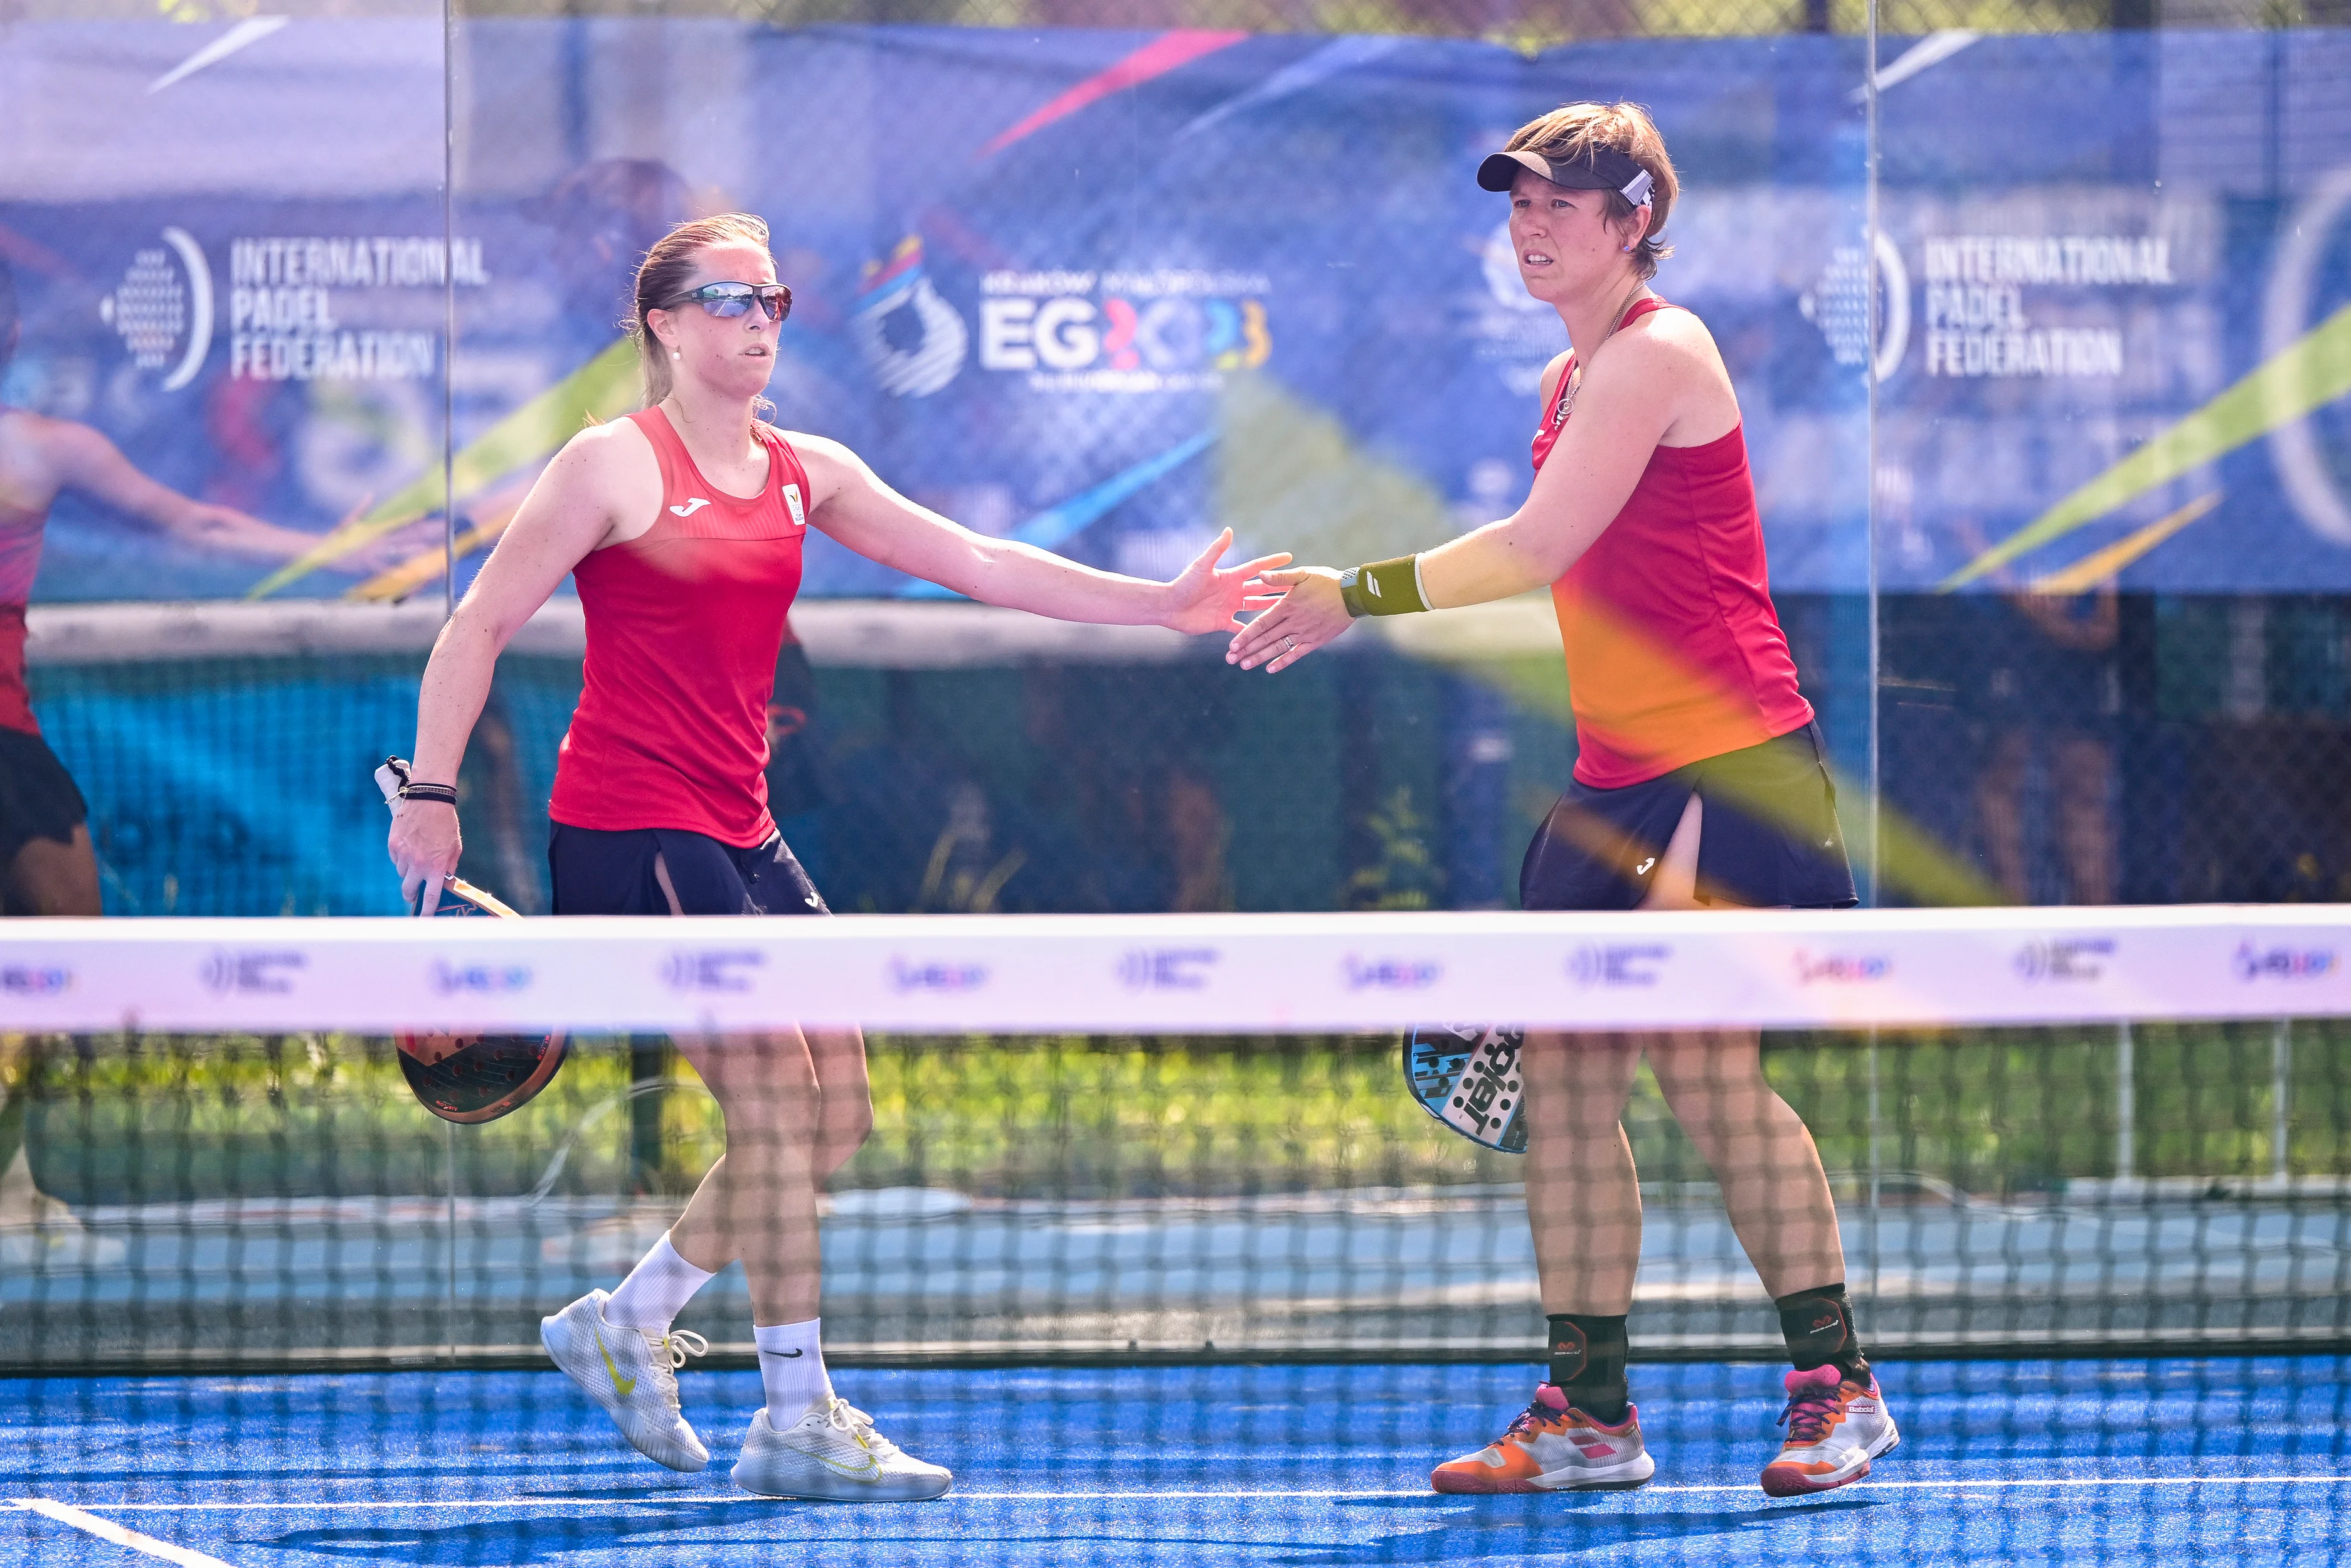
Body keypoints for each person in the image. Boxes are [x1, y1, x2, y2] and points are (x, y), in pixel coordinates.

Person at [385, 212, 1284, 1502]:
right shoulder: (609, 465)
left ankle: (626, 1320)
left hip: (742, 825)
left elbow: (975, 560)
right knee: (769, 1107)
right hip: (633, 828)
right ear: (665, 323)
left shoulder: (805, 467)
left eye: (772, 300)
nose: (758, 321)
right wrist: (430, 789)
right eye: (728, 299)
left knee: (836, 1113)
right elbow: (476, 621)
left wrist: (1159, 606)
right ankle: (795, 1412)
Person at [1227, 103, 1899, 1497]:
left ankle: (1837, 1386)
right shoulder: (1565, 377)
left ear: (1632, 218)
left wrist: (1351, 594)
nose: (1529, 228)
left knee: (1712, 1076)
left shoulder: (1662, 350)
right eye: (1516, 204)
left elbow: (1539, 545)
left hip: (1727, 765)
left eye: (1559, 206)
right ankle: (1587, 1412)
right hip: (1614, 775)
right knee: (1572, 1083)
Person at [0, 256, 380, 1259]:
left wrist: (336, 556)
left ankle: (13, 1184)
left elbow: (196, 520)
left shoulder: (44, 448)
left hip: (11, 744)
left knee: (67, 950)